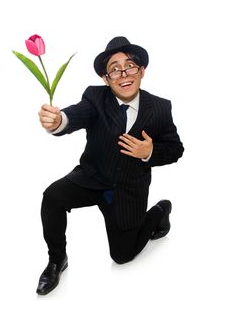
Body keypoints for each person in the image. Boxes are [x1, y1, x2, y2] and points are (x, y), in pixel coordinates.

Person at [35, 36, 184, 295]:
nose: (123, 74)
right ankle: (57, 259)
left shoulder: (160, 107)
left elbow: (175, 149)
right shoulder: (95, 97)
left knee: (123, 256)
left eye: (130, 66)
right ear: (106, 78)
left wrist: (149, 152)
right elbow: (74, 115)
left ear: (142, 71)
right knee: (52, 196)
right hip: (92, 178)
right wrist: (58, 120)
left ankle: (160, 210)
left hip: (128, 188)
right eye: (114, 69)